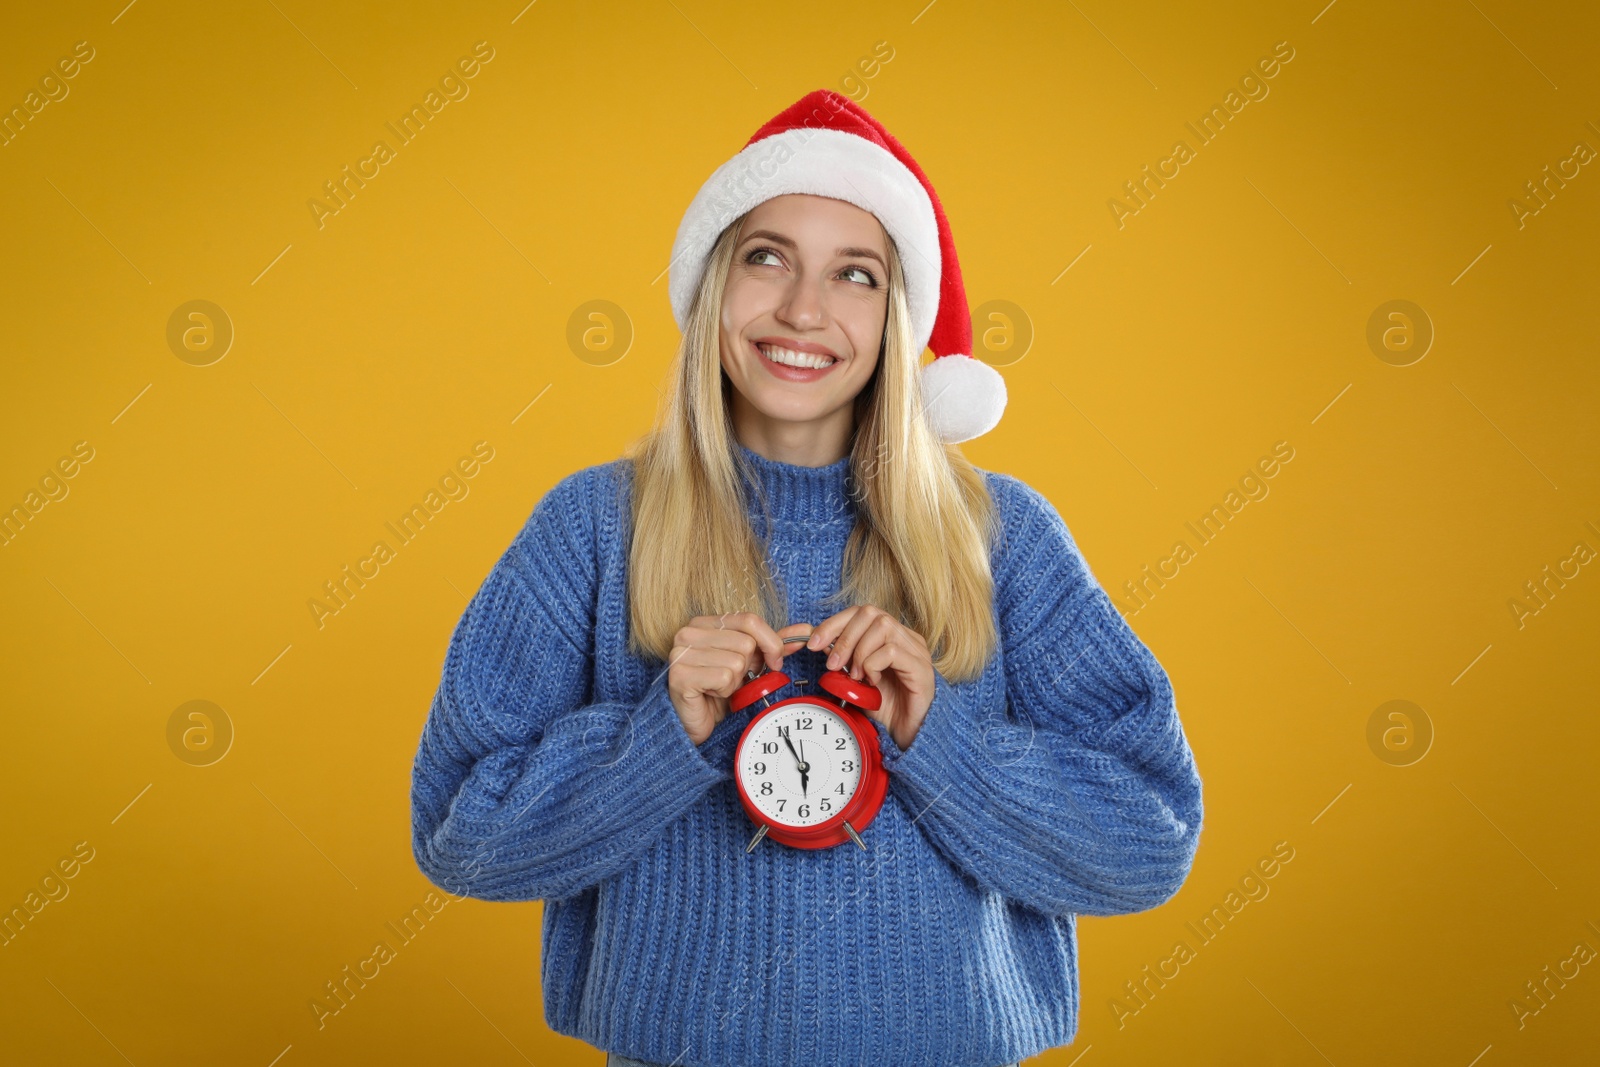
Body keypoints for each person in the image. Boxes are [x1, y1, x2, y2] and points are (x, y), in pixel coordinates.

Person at [410, 89, 1204, 1067]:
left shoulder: (1001, 537)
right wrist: (661, 734)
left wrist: (936, 737)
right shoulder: (590, 526)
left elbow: (1148, 838)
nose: (802, 309)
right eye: (767, 256)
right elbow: (458, 832)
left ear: (896, 315)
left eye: (855, 274)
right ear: (713, 283)